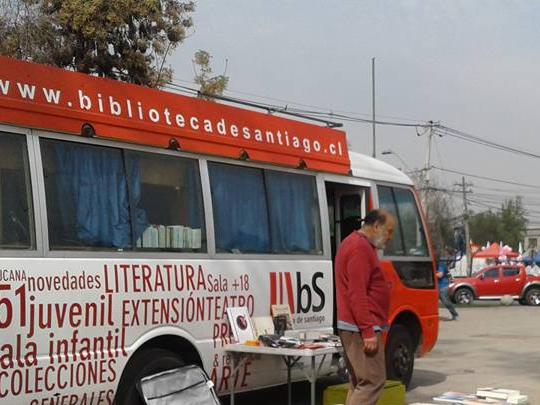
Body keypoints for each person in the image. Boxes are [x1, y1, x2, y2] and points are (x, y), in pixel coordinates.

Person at [334, 209, 395, 405]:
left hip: (356, 326)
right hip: (359, 328)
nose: (389, 238)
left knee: (360, 382)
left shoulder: (359, 245)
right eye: (389, 231)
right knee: (372, 381)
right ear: (376, 226)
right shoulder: (359, 248)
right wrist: (367, 330)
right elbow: (357, 293)